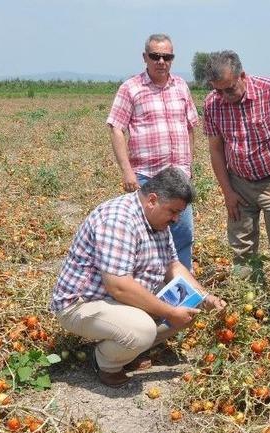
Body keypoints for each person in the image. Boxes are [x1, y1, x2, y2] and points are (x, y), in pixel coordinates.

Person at [50, 168, 225, 387]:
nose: (176, 219)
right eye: (173, 212)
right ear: (152, 200)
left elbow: (173, 264)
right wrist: (169, 312)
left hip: (116, 301)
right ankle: (105, 361)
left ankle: (126, 349)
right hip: (81, 304)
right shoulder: (118, 219)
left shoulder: (157, 220)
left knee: (188, 306)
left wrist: (205, 297)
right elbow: (119, 286)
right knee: (142, 329)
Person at [202, 50, 270, 326]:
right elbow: (216, 150)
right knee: (242, 249)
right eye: (219, 90)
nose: (225, 95)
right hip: (238, 183)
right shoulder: (212, 104)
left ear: (242, 76)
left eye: (230, 88)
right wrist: (228, 193)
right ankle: (252, 308)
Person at [107, 33, 199, 270]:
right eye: (155, 56)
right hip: (148, 177)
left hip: (178, 177)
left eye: (166, 56)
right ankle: (148, 290)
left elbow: (189, 126)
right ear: (145, 57)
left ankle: (182, 290)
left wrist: (189, 165)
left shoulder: (181, 86)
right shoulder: (131, 88)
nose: (161, 61)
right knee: (145, 237)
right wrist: (128, 173)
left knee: (183, 235)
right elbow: (116, 128)